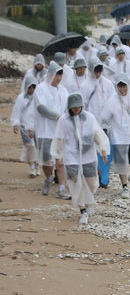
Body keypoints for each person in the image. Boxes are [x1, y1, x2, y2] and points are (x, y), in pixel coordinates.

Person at [50, 93, 109, 225]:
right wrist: (58, 156)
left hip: (88, 155)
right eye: (73, 107)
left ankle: (88, 202)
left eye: (78, 106)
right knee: (77, 184)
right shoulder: (64, 120)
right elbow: (59, 138)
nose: (76, 109)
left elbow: (96, 134)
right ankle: (82, 211)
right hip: (72, 157)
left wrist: (103, 149)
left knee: (92, 183)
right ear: (69, 107)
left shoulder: (89, 117)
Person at [31, 61, 71, 199]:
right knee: (46, 161)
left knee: (60, 162)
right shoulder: (40, 89)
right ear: (50, 75)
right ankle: (48, 178)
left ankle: (61, 189)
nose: (58, 78)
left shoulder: (64, 91)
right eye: (55, 75)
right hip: (45, 131)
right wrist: (57, 115)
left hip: (60, 132)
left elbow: (68, 108)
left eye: (60, 75)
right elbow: (41, 107)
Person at [80, 57, 115, 187]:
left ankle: (104, 179)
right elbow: (82, 104)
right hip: (90, 123)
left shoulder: (108, 84)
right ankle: (93, 175)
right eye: (96, 70)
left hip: (106, 123)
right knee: (92, 151)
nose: (98, 73)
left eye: (100, 70)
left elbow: (112, 102)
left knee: (105, 148)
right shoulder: (85, 85)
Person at [11, 75, 40, 177]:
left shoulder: (39, 97)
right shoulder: (21, 98)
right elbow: (17, 111)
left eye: (33, 87)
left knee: (37, 147)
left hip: (36, 126)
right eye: (30, 87)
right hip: (24, 126)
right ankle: (31, 167)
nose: (31, 90)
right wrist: (15, 124)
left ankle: (37, 165)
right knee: (29, 147)